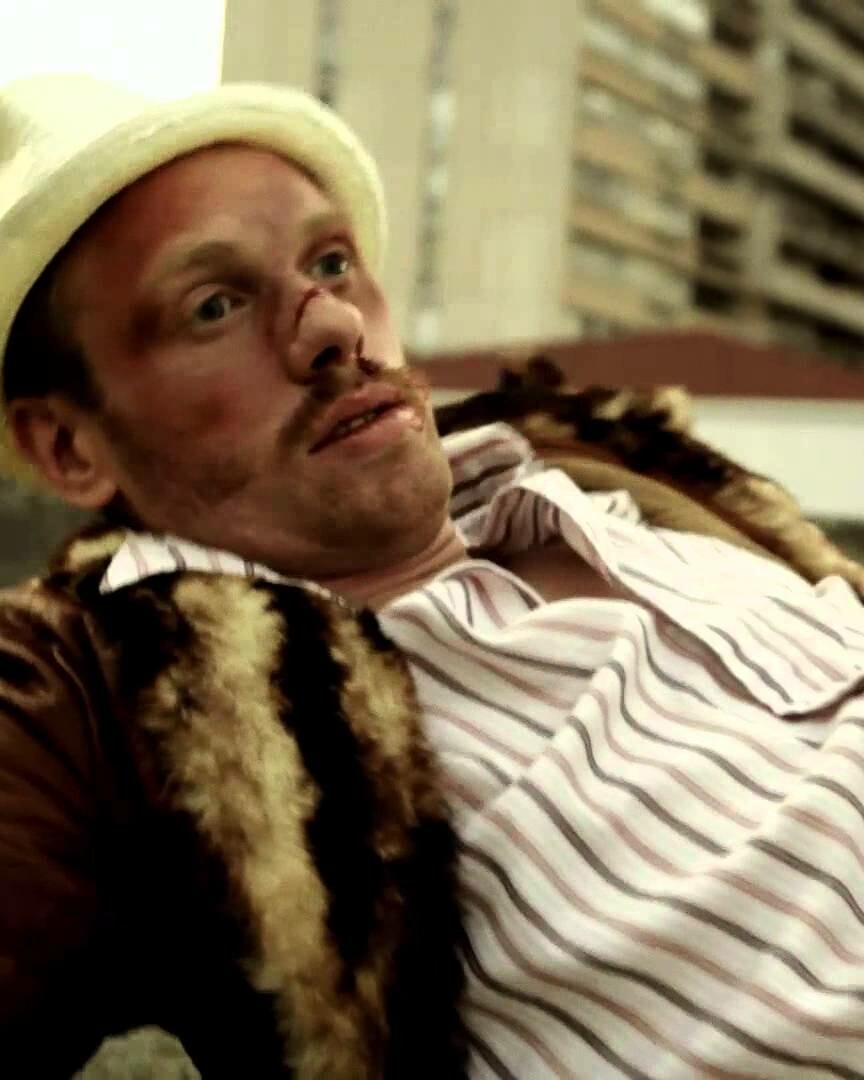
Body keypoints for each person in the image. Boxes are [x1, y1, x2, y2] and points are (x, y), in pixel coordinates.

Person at [1, 73, 864, 1080]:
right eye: (215, 305)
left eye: (332, 262)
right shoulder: (103, 699)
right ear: (68, 446)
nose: (333, 325)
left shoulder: (610, 472)